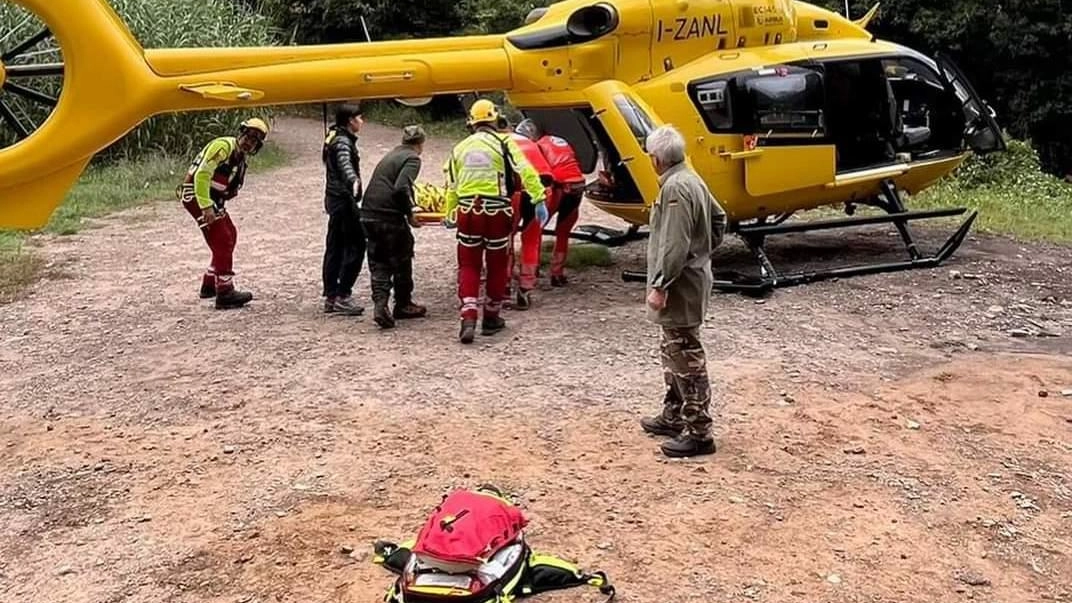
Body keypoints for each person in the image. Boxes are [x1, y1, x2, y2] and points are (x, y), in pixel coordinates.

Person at [639, 124, 728, 458]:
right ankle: (674, 414)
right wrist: (702, 253)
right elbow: (720, 220)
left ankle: (699, 432)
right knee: (673, 351)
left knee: (686, 357)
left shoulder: (675, 189)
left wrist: (661, 283)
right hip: (691, 278)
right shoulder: (692, 178)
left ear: (656, 159)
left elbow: (674, 245)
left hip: (678, 286)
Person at [442, 99, 546, 344]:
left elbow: (452, 186)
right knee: (497, 265)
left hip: (467, 212)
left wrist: (450, 213)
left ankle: (468, 316)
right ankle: (491, 317)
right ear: (494, 120)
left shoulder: (459, 148)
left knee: (468, 264)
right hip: (497, 212)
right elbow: (526, 171)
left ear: (472, 123)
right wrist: (539, 198)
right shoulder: (505, 143)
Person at [177, 117, 269, 310]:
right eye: (248, 136)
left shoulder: (239, 158)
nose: (249, 141)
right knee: (222, 239)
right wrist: (206, 207)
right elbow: (202, 175)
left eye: (254, 140)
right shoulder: (223, 147)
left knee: (230, 234)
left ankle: (210, 283)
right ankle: (225, 291)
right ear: (241, 133)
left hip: (211, 199)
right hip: (196, 195)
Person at [360, 125, 429, 329]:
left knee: (379, 260)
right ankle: (403, 304)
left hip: (368, 213)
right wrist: (410, 214)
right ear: (421, 143)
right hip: (388, 215)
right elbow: (400, 188)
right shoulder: (412, 158)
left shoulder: (392, 154)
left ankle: (380, 305)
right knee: (402, 255)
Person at [516, 118, 587, 288]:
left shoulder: (537, 146)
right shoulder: (558, 140)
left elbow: (540, 172)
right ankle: (557, 274)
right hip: (577, 185)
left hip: (560, 187)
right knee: (563, 233)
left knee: (535, 228)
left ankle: (532, 269)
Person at [321, 102, 367, 316]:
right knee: (357, 245)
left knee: (335, 247)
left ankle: (331, 296)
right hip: (344, 200)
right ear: (350, 121)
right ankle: (343, 295)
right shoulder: (342, 142)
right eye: (359, 118)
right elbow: (344, 163)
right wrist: (353, 181)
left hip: (333, 199)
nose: (362, 121)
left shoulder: (333, 136)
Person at [503, 117, 553, 310]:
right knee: (531, 240)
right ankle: (526, 287)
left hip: (515, 193)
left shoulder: (501, 142)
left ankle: (505, 286)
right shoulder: (533, 144)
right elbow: (548, 175)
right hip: (540, 192)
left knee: (506, 239)